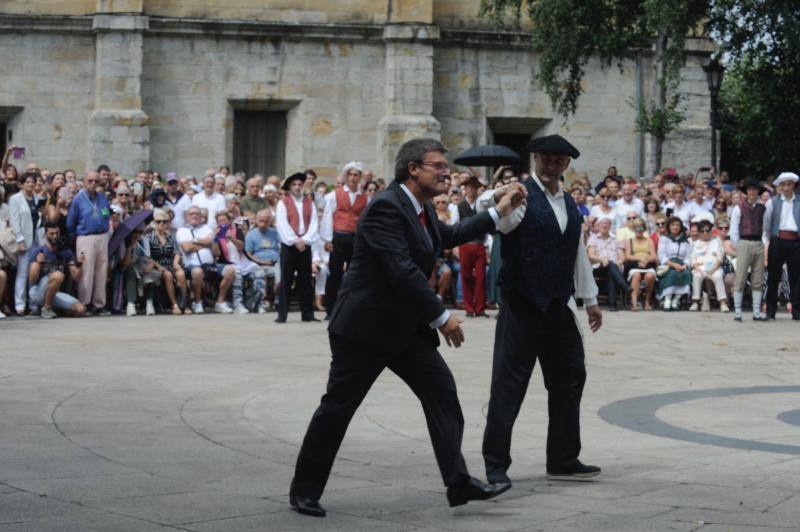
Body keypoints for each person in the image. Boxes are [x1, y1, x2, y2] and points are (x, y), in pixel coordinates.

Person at [290, 138, 524, 517]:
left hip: (404, 330)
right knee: (338, 409)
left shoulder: (422, 208)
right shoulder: (386, 206)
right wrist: (442, 317)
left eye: (446, 167)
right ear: (413, 168)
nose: (445, 173)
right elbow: (401, 270)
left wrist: (498, 213)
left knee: (442, 393)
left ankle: (458, 481)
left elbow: (448, 237)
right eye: (438, 166)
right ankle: (304, 490)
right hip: (364, 329)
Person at [478, 134, 602, 487]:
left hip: (559, 306)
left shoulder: (571, 205)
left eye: (559, 160)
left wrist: (590, 300)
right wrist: (498, 194)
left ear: (567, 165)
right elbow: (492, 217)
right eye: (545, 158)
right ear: (534, 159)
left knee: (570, 376)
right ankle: (495, 464)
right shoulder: (519, 196)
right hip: (522, 303)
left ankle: (563, 458)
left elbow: (576, 252)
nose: (551, 164)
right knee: (508, 384)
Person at [320, 162, 368, 319]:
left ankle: (351, 309)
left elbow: (366, 220)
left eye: (356, 175)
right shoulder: (336, 194)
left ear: (360, 177)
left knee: (355, 274)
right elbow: (328, 216)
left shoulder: (365, 197)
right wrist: (327, 239)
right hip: (339, 237)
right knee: (334, 274)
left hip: (355, 238)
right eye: (351, 174)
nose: (353, 178)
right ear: (347, 176)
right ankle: (331, 310)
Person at [275, 173, 319, 323]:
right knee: (286, 280)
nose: (297, 187)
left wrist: (305, 240)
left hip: (304, 246)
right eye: (294, 184)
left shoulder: (309, 202)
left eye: (300, 184)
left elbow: (314, 224)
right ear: (289, 186)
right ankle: (282, 315)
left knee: (305, 280)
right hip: (289, 246)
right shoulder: (283, 203)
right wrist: (294, 240)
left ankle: (307, 314)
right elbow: (282, 224)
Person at [66, 171, 111, 315]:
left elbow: (106, 214)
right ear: (85, 182)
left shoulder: (103, 198)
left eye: (96, 181)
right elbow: (70, 222)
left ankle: (99, 304)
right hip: (86, 237)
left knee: (101, 271)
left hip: (102, 236)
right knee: (86, 271)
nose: (93, 184)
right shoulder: (78, 199)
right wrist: (77, 236)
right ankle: (84, 303)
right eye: (90, 181)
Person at [27, 220, 87, 319]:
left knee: (81, 310)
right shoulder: (38, 251)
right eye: (52, 234)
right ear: (45, 234)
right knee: (58, 275)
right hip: (37, 292)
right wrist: (38, 263)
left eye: (57, 233)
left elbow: (76, 277)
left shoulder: (66, 252)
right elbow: (32, 279)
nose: (55, 236)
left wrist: (80, 264)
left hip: (54, 293)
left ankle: (53, 308)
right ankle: (45, 308)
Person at [176, 206, 229, 314]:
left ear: (201, 217)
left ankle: (220, 302)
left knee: (231, 270)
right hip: (191, 266)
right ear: (186, 217)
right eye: (191, 214)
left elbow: (214, 247)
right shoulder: (182, 230)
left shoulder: (207, 228)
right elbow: (186, 248)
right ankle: (197, 302)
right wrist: (206, 244)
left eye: (197, 214)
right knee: (197, 272)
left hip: (210, 264)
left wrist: (195, 241)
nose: (194, 216)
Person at [761, 172, 800, 320]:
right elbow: (766, 224)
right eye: (783, 185)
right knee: (773, 276)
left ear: (794, 186)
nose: (786, 187)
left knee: (796, 277)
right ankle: (770, 311)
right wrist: (766, 243)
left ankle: (797, 311)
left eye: (789, 184)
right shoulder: (773, 202)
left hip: (795, 241)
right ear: (780, 186)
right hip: (778, 240)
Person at [729, 177, 767, 321]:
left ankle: (756, 312)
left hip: (758, 242)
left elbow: (766, 228)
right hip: (744, 242)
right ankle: (738, 312)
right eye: (749, 189)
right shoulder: (739, 208)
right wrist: (739, 246)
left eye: (754, 189)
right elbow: (733, 230)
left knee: (758, 278)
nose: (752, 192)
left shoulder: (763, 208)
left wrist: (763, 243)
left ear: (758, 191)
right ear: (746, 191)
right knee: (741, 277)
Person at [8, 171, 44, 314]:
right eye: (27, 182)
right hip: (24, 239)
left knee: (34, 273)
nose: (30, 184)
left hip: (37, 239)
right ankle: (20, 304)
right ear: (21, 184)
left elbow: (41, 219)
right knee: (22, 273)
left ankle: (33, 304)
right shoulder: (15, 199)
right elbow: (14, 221)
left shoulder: (38, 198)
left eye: (32, 182)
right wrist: (19, 239)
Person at [457, 174, 489, 317]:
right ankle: (469, 308)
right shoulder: (460, 206)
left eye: (473, 187)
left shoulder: (481, 204)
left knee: (481, 277)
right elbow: (456, 225)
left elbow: (487, 224)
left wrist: (486, 245)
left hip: (480, 244)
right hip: (466, 244)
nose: (471, 190)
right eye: (468, 187)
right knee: (466, 276)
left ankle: (480, 308)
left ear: (477, 189)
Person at [148, 208, 188, 315]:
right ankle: (174, 304)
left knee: (181, 274)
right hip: (158, 265)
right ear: (154, 223)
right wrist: (158, 266)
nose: (161, 223)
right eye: (158, 221)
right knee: (168, 275)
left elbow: (177, 252)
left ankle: (183, 303)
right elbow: (148, 256)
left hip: (170, 263)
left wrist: (176, 263)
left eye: (164, 221)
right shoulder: (149, 237)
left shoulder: (170, 237)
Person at [586, 218, 629, 311]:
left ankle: (612, 304)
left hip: (613, 267)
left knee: (611, 270)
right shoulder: (593, 238)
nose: (605, 225)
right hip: (598, 267)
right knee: (610, 264)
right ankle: (624, 285)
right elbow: (591, 255)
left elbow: (622, 256)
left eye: (607, 223)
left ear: (610, 226)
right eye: (602, 223)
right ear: (599, 225)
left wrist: (620, 261)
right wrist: (602, 259)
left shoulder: (616, 239)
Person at [689, 219, 730, 312]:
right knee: (696, 276)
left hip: (715, 268)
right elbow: (692, 258)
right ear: (699, 232)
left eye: (707, 230)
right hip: (700, 268)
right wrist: (696, 267)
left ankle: (722, 303)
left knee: (718, 276)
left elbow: (720, 257)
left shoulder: (717, 241)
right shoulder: (695, 244)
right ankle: (695, 301)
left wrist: (714, 269)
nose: (705, 233)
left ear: (711, 231)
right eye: (702, 231)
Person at [244, 209, 281, 312]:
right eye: (261, 221)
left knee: (280, 268)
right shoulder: (251, 235)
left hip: (275, 264)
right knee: (269, 271)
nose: (263, 224)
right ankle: (269, 298)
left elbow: (282, 247)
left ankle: (278, 292)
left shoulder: (275, 233)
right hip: (259, 264)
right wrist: (262, 262)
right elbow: (249, 254)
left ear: (270, 221)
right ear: (256, 220)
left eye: (266, 221)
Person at [657, 216, 692, 311]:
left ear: (680, 227)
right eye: (673, 225)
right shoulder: (664, 239)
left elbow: (688, 257)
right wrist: (674, 265)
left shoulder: (685, 242)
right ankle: (667, 299)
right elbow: (661, 255)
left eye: (677, 225)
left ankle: (676, 299)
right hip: (668, 264)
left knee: (686, 274)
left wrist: (684, 265)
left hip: (681, 264)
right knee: (672, 273)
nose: (675, 227)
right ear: (669, 226)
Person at [624, 218, 657, 310]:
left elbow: (654, 256)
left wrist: (646, 261)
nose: (639, 230)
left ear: (644, 229)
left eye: (641, 228)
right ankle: (634, 302)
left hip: (648, 264)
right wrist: (640, 259)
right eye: (636, 228)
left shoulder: (649, 240)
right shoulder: (629, 241)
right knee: (636, 275)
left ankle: (647, 301)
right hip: (634, 264)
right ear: (634, 229)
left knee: (650, 276)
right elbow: (628, 256)